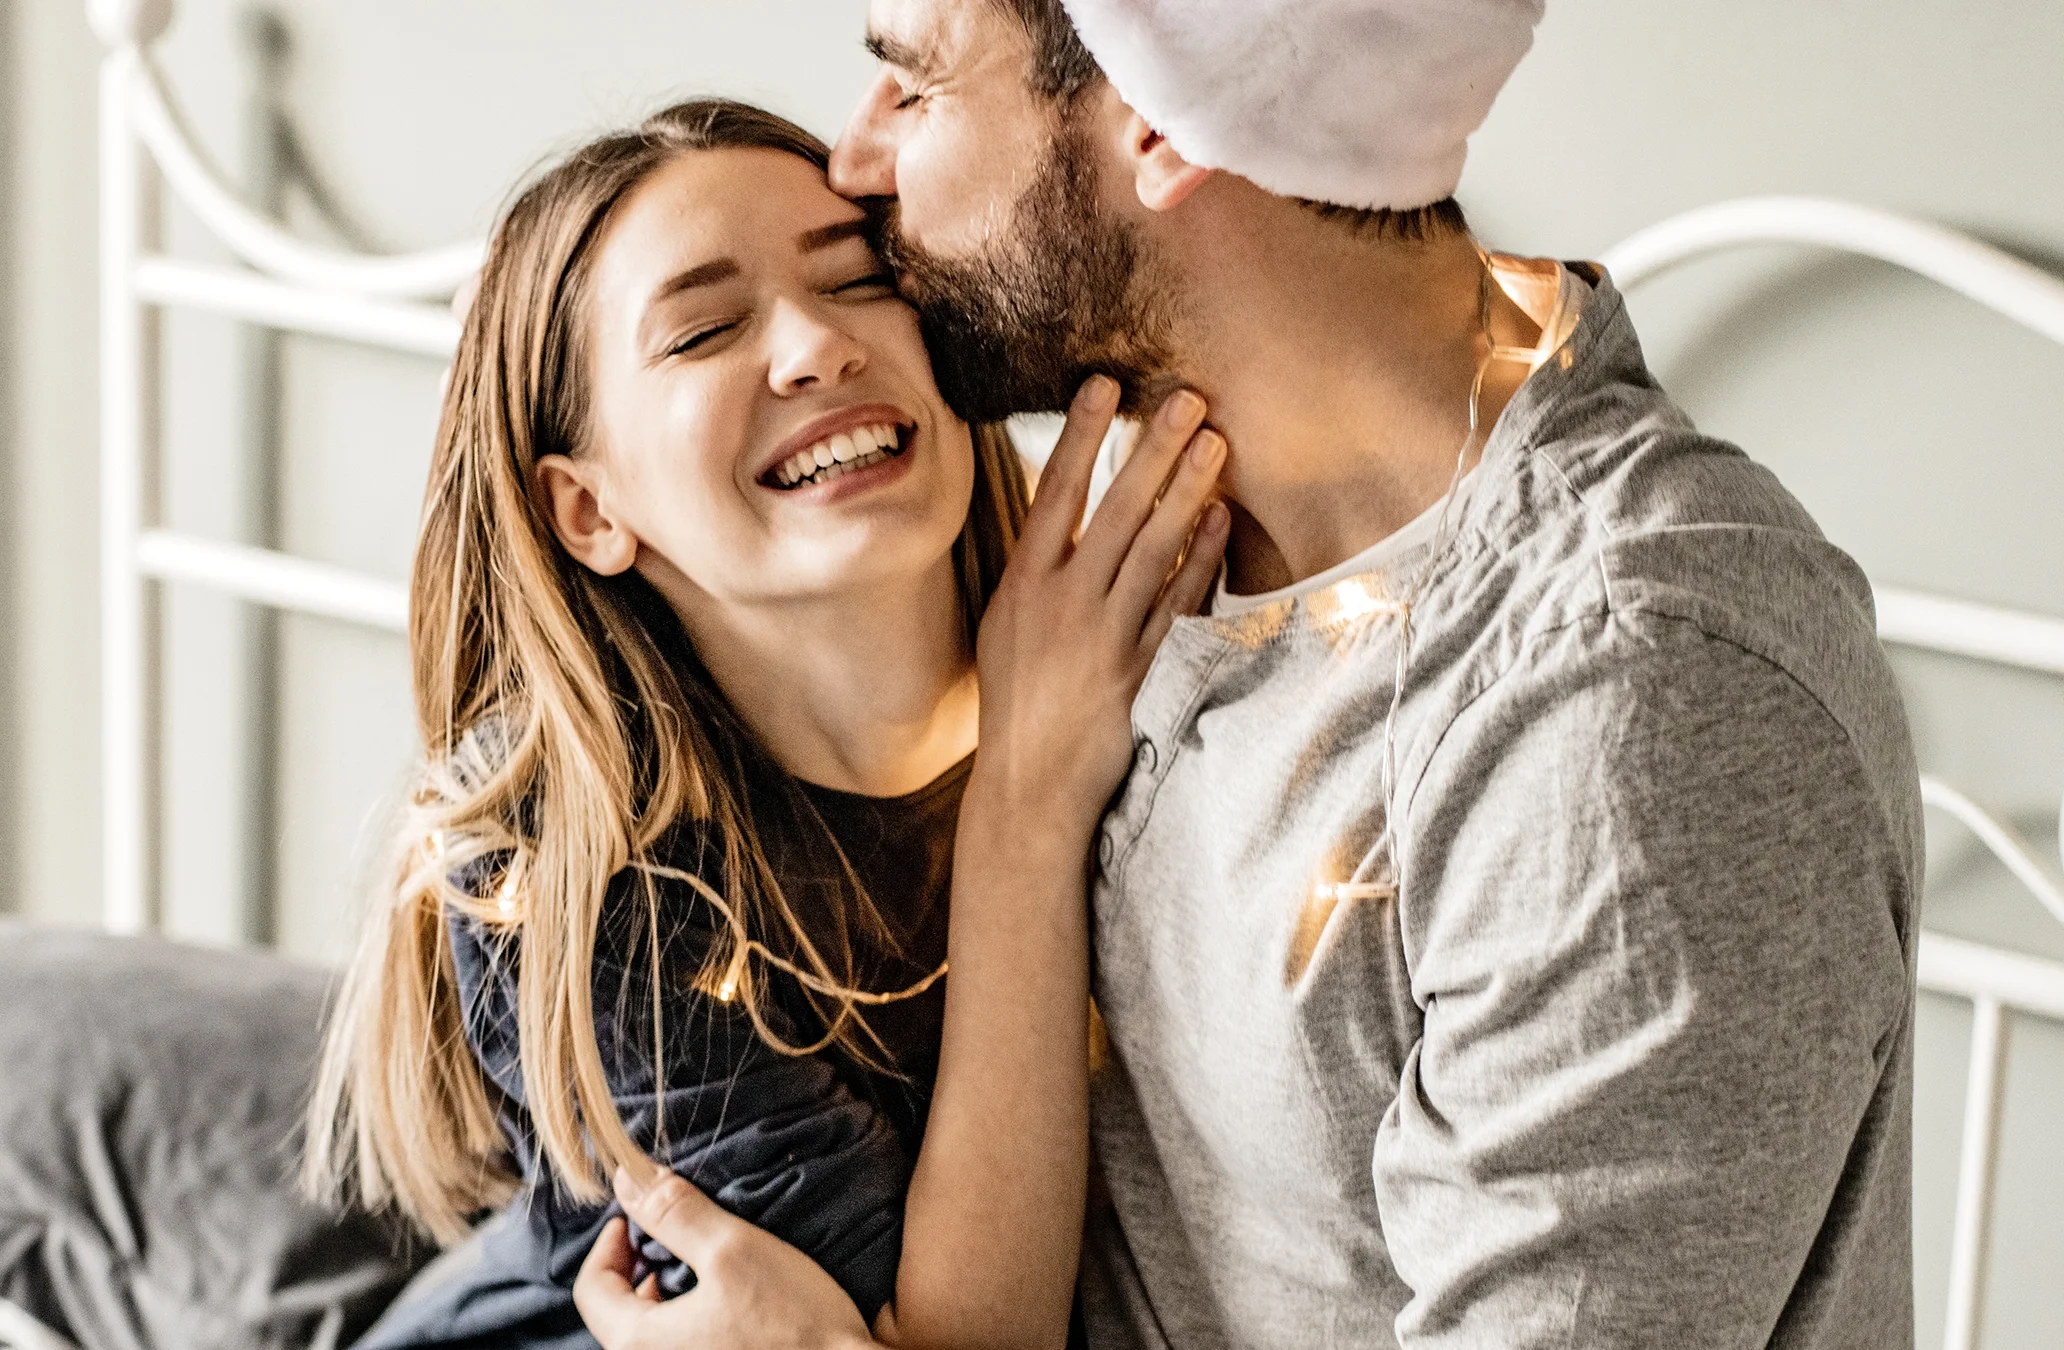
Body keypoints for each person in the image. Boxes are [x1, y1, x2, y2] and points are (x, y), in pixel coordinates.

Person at [575, 3, 1925, 1348]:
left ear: (1159, 121)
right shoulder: (1123, 528)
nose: (856, 164)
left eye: (915, 88)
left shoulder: (1622, 706)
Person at [304, 99, 1228, 1350]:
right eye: (701, 331)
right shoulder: (570, 864)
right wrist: (1024, 795)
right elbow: (962, 1340)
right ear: (587, 511)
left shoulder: (1154, 664)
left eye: (858, 281)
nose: (815, 347)